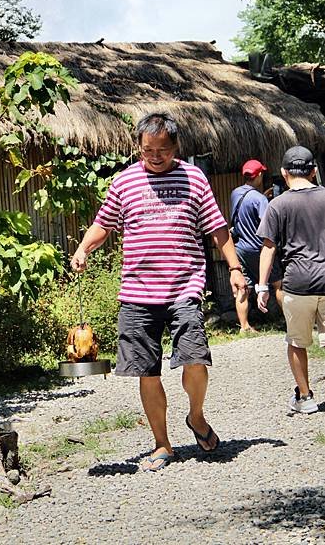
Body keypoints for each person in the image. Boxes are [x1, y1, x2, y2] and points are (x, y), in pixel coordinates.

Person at [71, 111, 247, 471]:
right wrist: (83, 249)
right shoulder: (124, 182)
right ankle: (162, 445)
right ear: (138, 146)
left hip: (185, 285)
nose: (155, 156)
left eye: (163, 150)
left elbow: (216, 227)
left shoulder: (194, 177)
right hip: (137, 293)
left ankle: (196, 417)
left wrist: (234, 267)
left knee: (195, 359)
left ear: (175, 147)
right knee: (146, 370)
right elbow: (104, 224)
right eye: (148, 149)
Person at [256, 145, 325, 414]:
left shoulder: (278, 204)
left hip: (298, 284)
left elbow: (269, 247)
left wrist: (262, 286)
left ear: (284, 173)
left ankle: (305, 397)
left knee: (297, 342)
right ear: (314, 172)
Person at [230, 159, 283, 332]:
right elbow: (267, 223)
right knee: (278, 284)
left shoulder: (235, 193)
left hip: (241, 250)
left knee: (243, 288)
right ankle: (290, 321)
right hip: (259, 251)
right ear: (259, 175)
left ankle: (244, 326)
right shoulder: (260, 199)